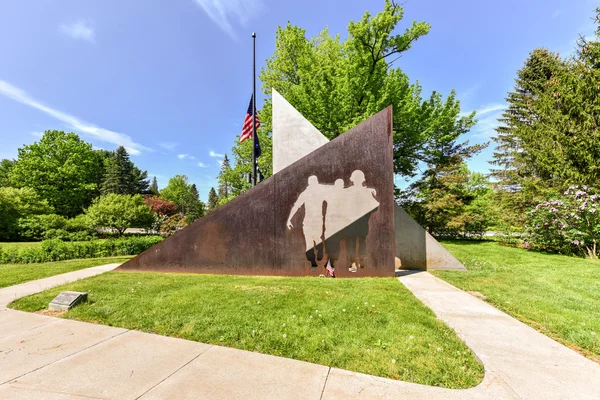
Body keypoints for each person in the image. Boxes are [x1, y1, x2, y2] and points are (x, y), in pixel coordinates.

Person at [287, 175, 327, 267]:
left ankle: (319, 252)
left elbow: (296, 206)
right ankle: (313, 262)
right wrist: (289, 219)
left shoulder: (317, 193)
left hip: (316, 220)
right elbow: (296, 206)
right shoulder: (307, 193)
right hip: (309, 221)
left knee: (316, 238)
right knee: (310, 241)